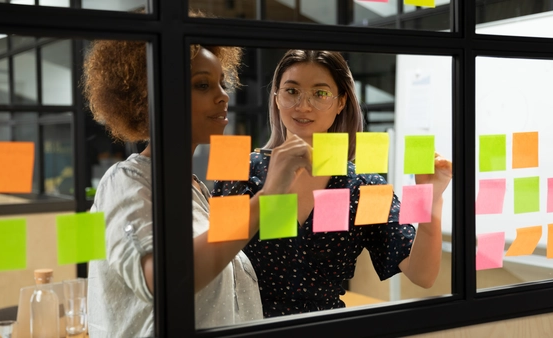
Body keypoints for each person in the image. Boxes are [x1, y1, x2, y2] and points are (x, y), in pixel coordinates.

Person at [82, 36, 314, 335]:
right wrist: (268, 195)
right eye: (202, 85)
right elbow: (164, 280)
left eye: (221, 84)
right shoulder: (125, 182)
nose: (223, 97)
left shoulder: (193, 188)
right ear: (154, 95)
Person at [212, 49, 453, 318]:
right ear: (276, 98)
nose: (304, 106)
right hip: (248, 325)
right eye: (292, 91)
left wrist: (431, 199)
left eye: (320, 93)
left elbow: (422, 274)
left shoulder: (362, 187)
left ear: (341, 103)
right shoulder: (241, 172)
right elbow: (212, 263)